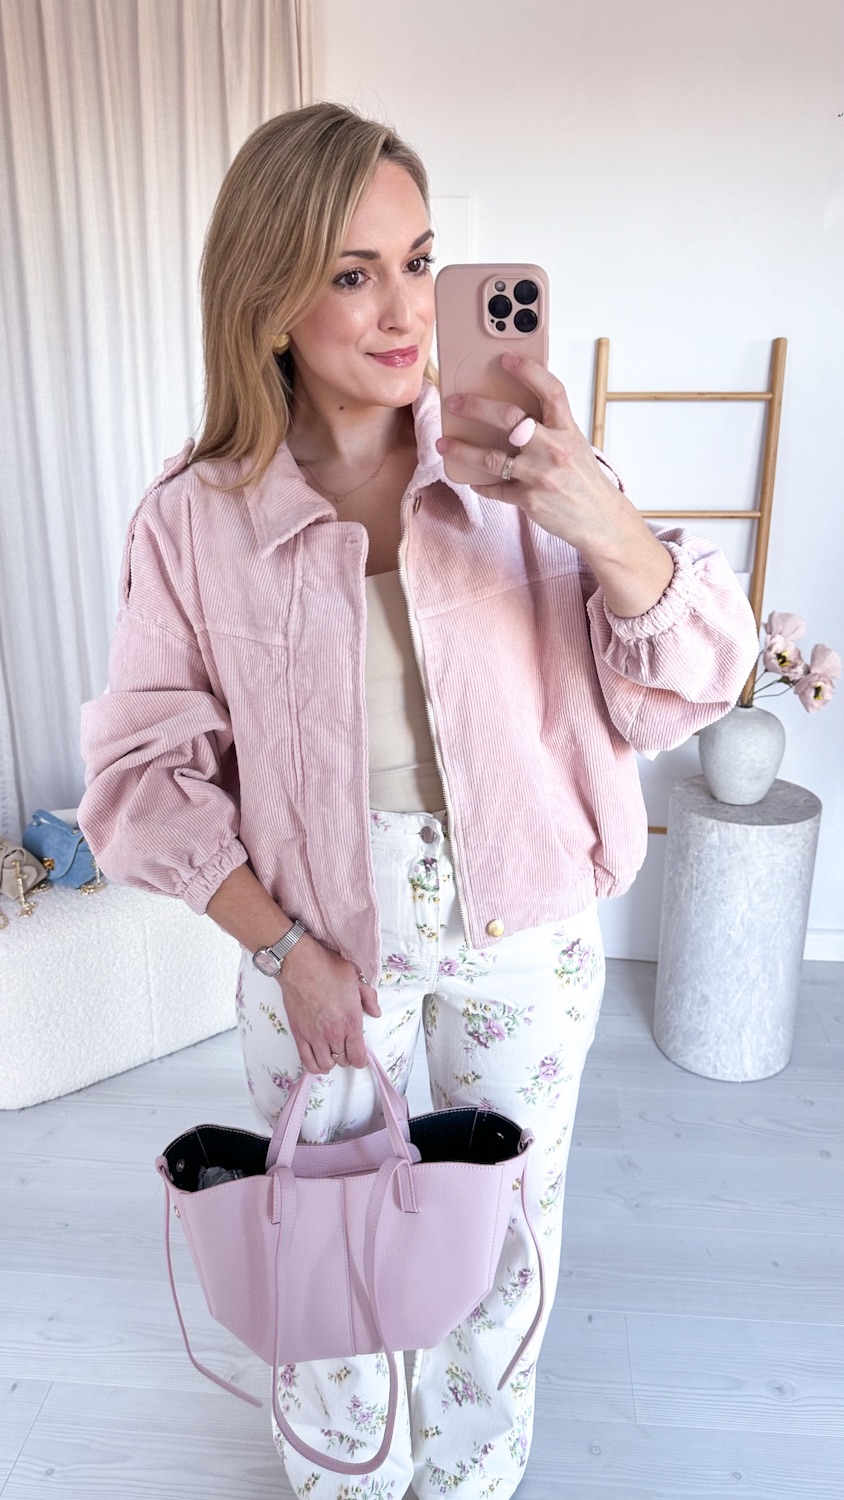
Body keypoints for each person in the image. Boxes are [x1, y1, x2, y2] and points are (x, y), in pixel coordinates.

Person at [79, 101, 758, 1500]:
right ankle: (346, 1477)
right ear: (269, 297)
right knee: (325, 1233)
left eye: (422, 261)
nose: (404, 312)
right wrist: (285, 951)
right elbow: (143, 778)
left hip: (528, 924)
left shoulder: (526, 476)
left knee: (502, 1230)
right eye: (354, 272)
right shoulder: (197, 519)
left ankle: (470, 1476)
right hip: (320, 941)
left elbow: (686, 686)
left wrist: (600, 520)